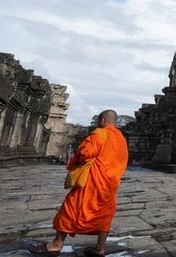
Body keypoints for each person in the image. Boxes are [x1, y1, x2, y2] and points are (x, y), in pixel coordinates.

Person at [28, 110, 129, 257]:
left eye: (97, 122)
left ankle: (56, 244)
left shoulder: (100, 134)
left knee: (70, 208)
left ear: (102, 120)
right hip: (110, 183)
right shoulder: (121, 139)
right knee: (105, 214)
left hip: (92, 182)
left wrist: (79, 162)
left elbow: (84, 153)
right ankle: (100, 248)